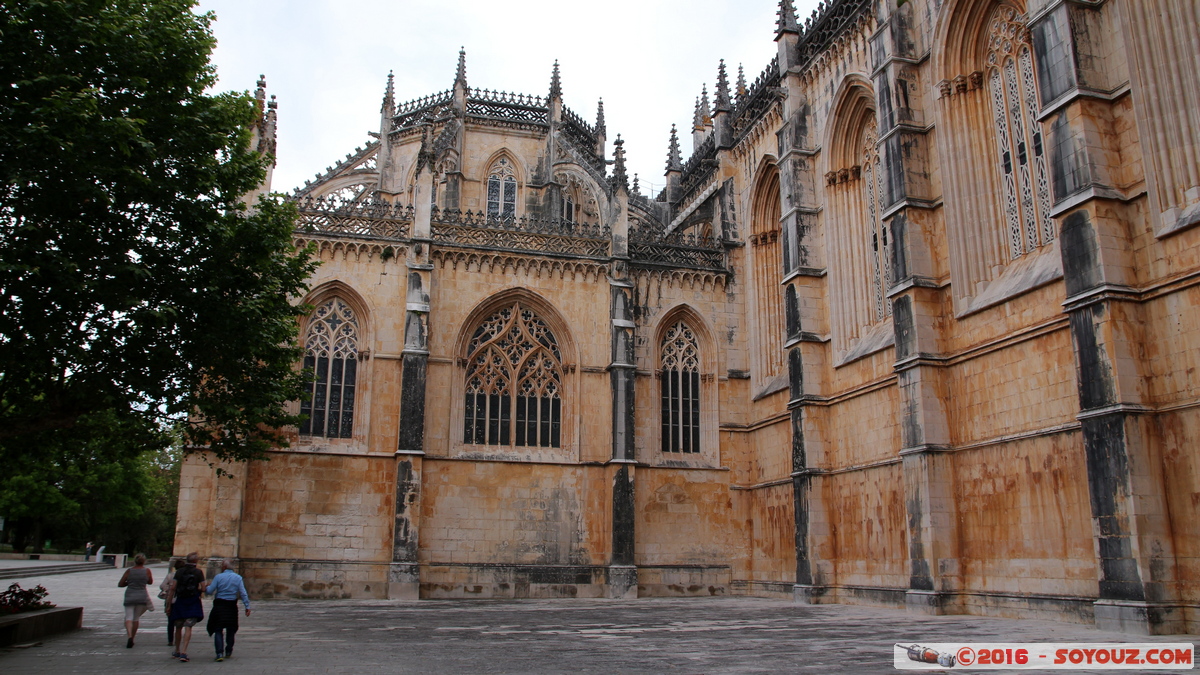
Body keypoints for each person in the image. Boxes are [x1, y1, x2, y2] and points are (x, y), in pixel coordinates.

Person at [204, 559, 251, 662]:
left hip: (220, 605)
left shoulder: (218, 577)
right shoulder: (238, 578)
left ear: (224, 567)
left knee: (218, 629)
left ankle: (219, 652)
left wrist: (205, 587)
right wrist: (247, 606)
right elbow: (243, 593)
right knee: (231, 628)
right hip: (231, 606)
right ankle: (229, 650)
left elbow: (210, 591)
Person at [164, 552, 205, 662]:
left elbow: (172, 588)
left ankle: (177, 650)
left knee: (178, 626)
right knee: (188, 627)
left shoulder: (179, 572)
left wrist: (168, 605)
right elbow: (204, 588)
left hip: (180, 601)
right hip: (192, 601)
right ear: (196, 561)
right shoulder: (198, 572)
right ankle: (184, 651)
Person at [117, 553, 153, 648]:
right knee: (136, 618)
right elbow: (150, 582)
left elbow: (120, 584)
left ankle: (128, 636)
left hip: (130, 595)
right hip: (141, 595)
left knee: (128, 617)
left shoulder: (129, 571)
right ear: (144, 561)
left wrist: (129, 583)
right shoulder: (147, 571)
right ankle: (132, 638)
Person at [160, 559, 184, 646]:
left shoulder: (170, 576)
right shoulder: (184, 576)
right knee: (179, 622)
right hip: (180, 600)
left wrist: (167, 589)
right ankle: (178, 638)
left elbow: (162, 586)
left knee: (170, 621)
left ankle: (170, 640)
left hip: (170, 600)